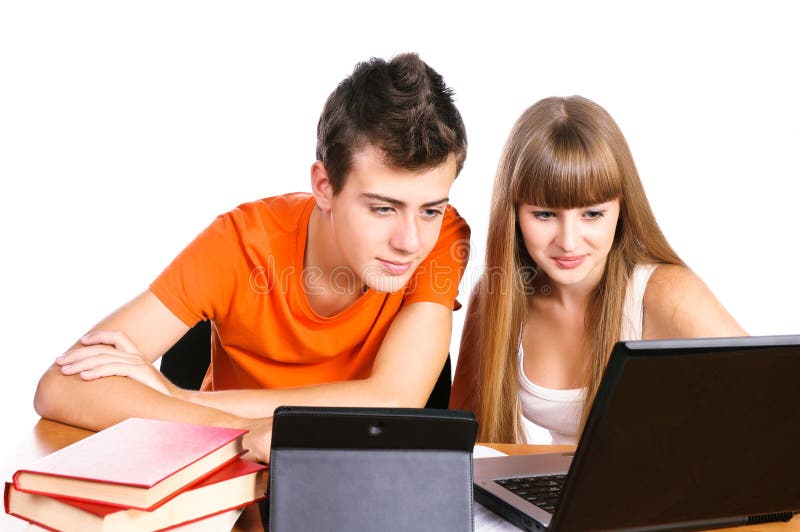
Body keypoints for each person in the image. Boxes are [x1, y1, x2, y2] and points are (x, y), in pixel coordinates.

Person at [34, 53, 470, 464]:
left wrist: (182, 400)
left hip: (359, 480)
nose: (411, 241)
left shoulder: (444, 236)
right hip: (233, 480)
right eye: (382, 208)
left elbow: (393, 399)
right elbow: (61, 387)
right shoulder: (241, 242)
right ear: (324, 186)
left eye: (430, 209)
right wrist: (241, 431)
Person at [450, 95, 745, 445]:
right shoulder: (495, 295)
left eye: (592, 214)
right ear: (512, 214)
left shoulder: (664, 292)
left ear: (622, 209)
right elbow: (464, 442)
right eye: (545, 214)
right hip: (567, 495)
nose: (569, 241)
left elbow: (775, 399)